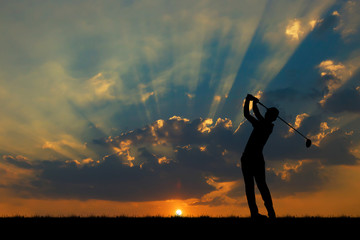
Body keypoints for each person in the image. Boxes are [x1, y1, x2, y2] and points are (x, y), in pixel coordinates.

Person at [241, 94, 278, 219]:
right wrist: (248, 101)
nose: (267, 114)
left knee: (261, 186)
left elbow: (256, 114)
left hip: (255, 159)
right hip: (248, 158)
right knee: (250, 187)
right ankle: (255, 214)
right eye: (267, 112)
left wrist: (253, 102)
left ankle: (271, 213)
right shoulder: (261, 124)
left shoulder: (267, 126)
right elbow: (247, 114)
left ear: (273, 118)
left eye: (269, 114)